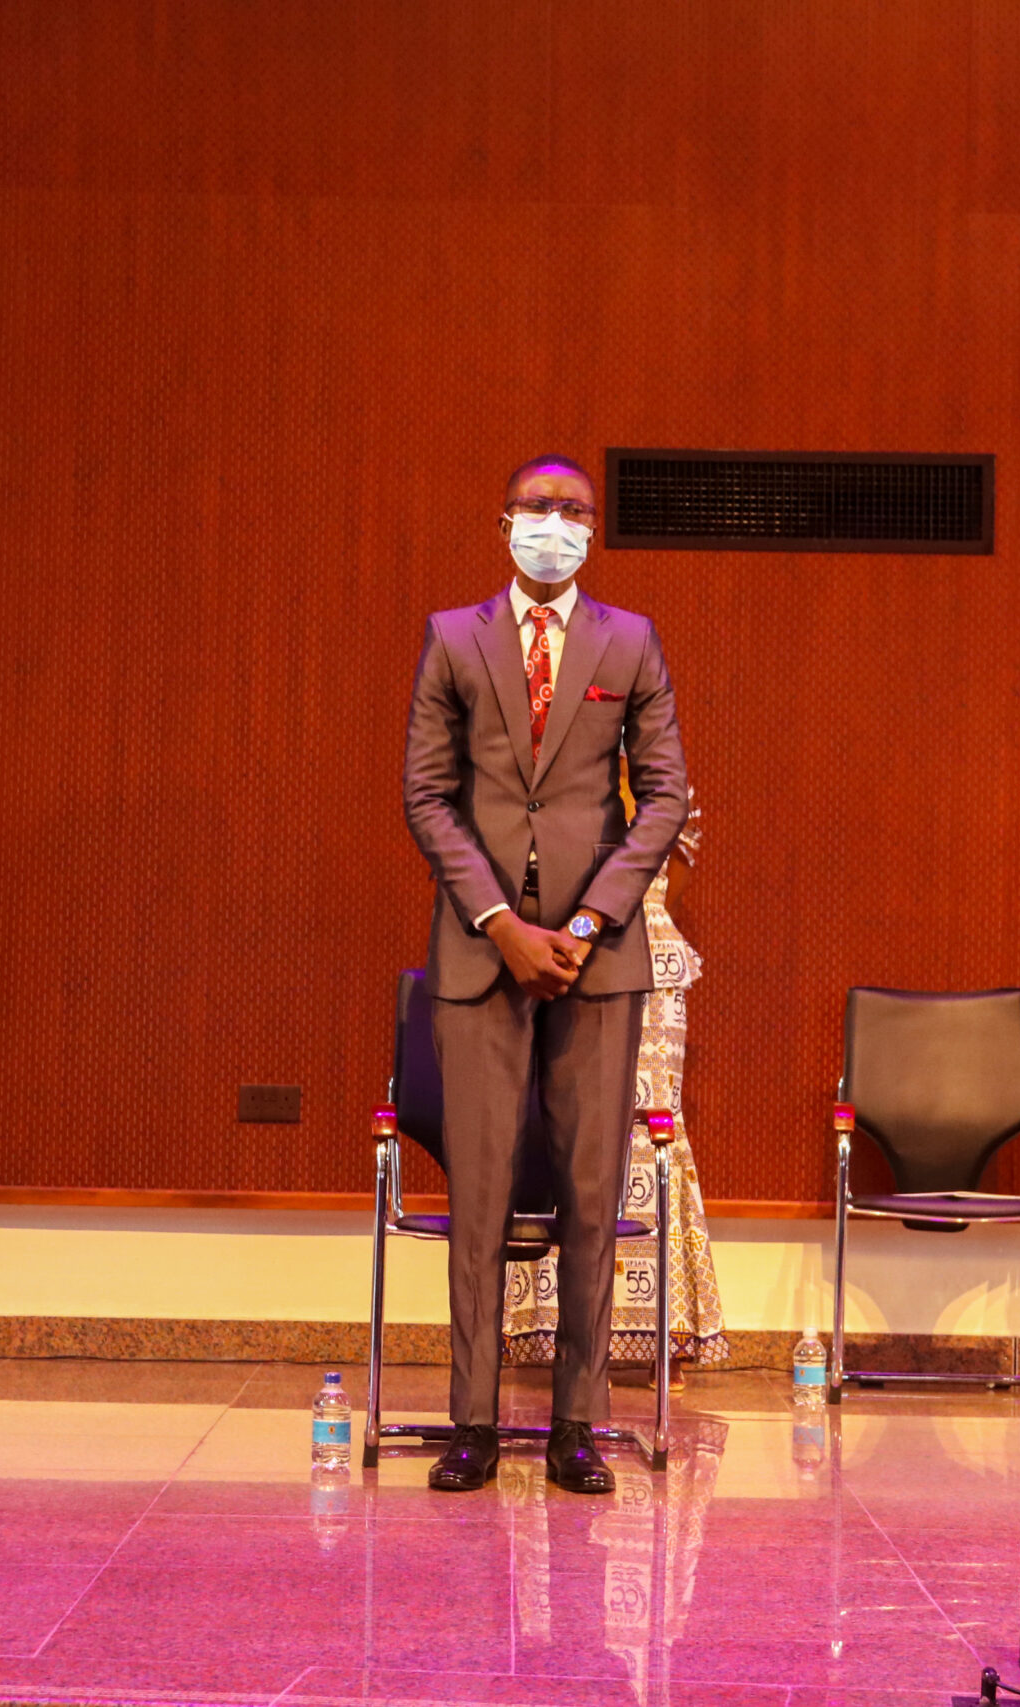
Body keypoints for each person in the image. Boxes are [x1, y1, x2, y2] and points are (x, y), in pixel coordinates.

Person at [402, 453, 690, 1494]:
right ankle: (472, 1422)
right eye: (537, 507)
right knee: (479, 1195)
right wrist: (500, 923)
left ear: (593, 531)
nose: (554, 523)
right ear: (504, 521)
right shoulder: (452, 637)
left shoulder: (631, 640)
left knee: (589, 1196)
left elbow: (664, 796)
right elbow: (426, 795)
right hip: (481, 950)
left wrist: (582, 919)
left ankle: (577, 1422)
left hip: (595, 956)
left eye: (573, 510)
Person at [504, 794, 729, 1375]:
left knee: (650, 1131)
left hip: (646, 963)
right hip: (566, 956)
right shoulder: (557, 781)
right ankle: (555, 1327)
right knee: (567, 1124)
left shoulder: (666, 795)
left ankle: (661, 1332)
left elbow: (666, 888)